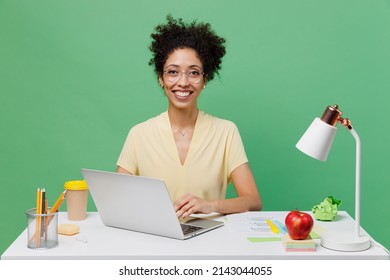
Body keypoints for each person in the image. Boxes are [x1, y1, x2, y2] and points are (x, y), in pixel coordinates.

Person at [117, 15, 262, 219]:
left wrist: (209, 205)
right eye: (173, 72)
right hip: (154, 239)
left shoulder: (226, 131)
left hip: (210, 242)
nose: (183, 82)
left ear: (205, 79)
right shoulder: (139, 134)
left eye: (193, 73)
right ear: (161, 78)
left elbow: (253, 201)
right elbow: (117, 199)